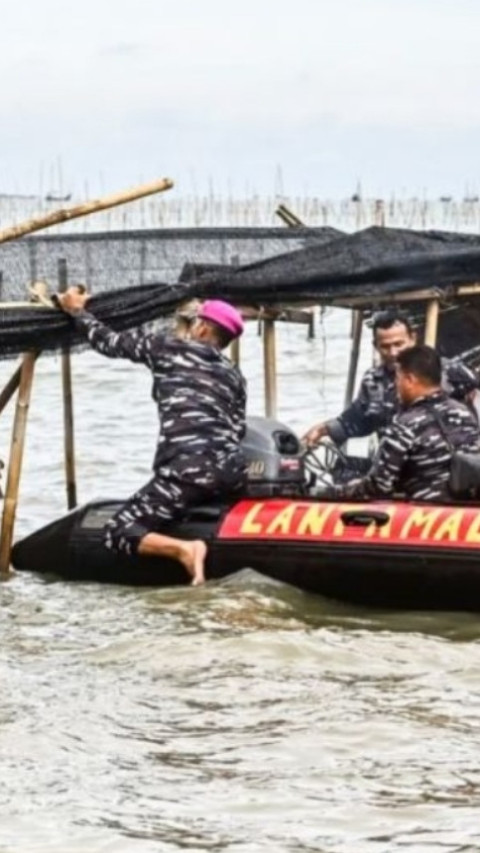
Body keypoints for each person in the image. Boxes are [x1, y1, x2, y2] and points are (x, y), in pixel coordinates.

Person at [57, 288, 247, 585]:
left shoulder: (167, 348)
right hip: (232, 473)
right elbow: (238, 430)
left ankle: (185, 548)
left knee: (120, 530)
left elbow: (109, 342)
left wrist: (77, 311)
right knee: (193, 492)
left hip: (186, 472)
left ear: (203, 327)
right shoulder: (234, 375)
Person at [303, 310, 479, 448]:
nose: (393, 353)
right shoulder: (373, 381)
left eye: (398, 344)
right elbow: (358, 419)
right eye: (385, 347)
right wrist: (323, 429)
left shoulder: (446, 370)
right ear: (375, 346)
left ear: (412, 339)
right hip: (396, 463)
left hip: (446, 464)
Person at [333, 345, 480, 502]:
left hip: (426, 516)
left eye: (398, 378)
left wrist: (342, 491)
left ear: (409, 380)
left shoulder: (404, 425)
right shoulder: (465, 414)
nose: (396, 385)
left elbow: (379, 485)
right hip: (468, 511)